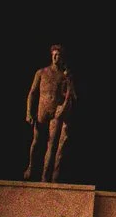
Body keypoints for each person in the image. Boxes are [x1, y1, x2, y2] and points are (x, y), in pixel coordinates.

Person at [23, 43, 76, 182]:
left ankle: (45, 177)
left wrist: (64, 105)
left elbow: (70, 96)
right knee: (36, 141)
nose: (55, 57)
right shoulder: (41, 72)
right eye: (53, 55)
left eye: (58, 55)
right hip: (42, 110)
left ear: (62, 57)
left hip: (55, 112)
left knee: (51, 145)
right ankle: (31, 166)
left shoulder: (64, 76)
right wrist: (28, 112)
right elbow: (32, 93)